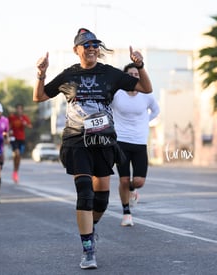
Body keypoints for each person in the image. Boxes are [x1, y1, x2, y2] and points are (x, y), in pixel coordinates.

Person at [33, 28, 152, 269]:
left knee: (101, 201)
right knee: (84, 192)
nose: (91, 48)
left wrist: (140, 65)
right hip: (77, 140)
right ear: (76, 50)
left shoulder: (110, 73)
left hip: (103, 141)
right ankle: (88, 249)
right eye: (86, 45)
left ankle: (91, 226)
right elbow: (40, 96)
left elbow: (145, 89)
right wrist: (41, 74)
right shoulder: (69, 76)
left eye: (95, 44)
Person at [111, 63, 160, 227]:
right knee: (123, 180)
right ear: (125, 77)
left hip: (139, 142)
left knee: (138, 181)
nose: (134, 77)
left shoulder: (147, 95)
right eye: (130, 74)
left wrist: (144, 122)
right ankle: (126, 214)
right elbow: (106, 109)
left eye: (136, 74)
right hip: (121, 141)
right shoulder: (116, 94)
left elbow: (156, 111)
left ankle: (133, 190)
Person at [8, 103, 32, 183]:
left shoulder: (25, 117)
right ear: (16, 110)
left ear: (22, 110)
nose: (19, 110)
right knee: (16, 154)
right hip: (13, 138)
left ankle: (15, 171)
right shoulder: (12, 117)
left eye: (20, 109)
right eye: (18, 109)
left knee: (18, 157)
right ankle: (15, 171)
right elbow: (7, 126)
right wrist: (8, 132)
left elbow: (30, 126)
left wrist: (25, 124)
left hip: (21, 139)